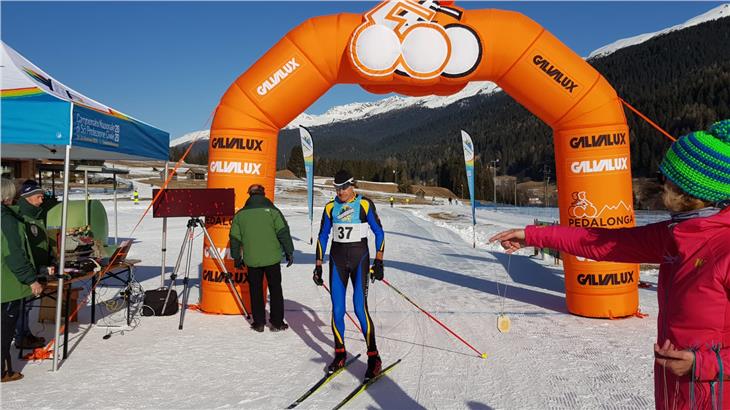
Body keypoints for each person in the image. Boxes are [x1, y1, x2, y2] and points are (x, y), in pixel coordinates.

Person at [489, 119, 730, 410]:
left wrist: (705, 364)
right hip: (675, 390)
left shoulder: (724, 248)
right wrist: (532, 235)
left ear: (691, 192)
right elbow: (598, 242)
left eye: (669, 179)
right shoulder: (675, 235)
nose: (661, 183)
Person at [314, 170, 385, 381]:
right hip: (337, 263)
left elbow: (379, 232)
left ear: (352, 186)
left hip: (359, 262)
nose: (340, 191)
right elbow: (323, 235)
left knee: (359, 307)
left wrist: (379, 261)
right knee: (337, 310)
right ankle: (340, 353)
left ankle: (374, 358)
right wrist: (318, 264)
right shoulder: (329, 208)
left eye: (344, 187)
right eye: (337, 188)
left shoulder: (364, 204)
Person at [229, 184, 294, 332]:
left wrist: (236, 257)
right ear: (263, 194)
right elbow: (283, 232)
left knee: (255, 290)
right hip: (272, 258)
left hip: (252, 259)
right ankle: (277, 322)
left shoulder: (240, 215)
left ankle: (258, 323)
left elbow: (234, 238)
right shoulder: (273, 211)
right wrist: (289, 251)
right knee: (275, 289)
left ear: (249, 195)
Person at [1, 178, 45, 383]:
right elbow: (14, 255)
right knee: (4, 329)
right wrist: (31, 280)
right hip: (7, 284)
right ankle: (2, 371)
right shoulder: (7, 219)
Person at [15, 180, 53, 350]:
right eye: (39, 197)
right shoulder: (22, 217)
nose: (42, 200)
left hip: (37, 268)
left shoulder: (36, 216)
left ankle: (25, 333)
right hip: (26, 270)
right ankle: (20, 336)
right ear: (28, 198)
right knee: (21, 306)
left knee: (28, 305)